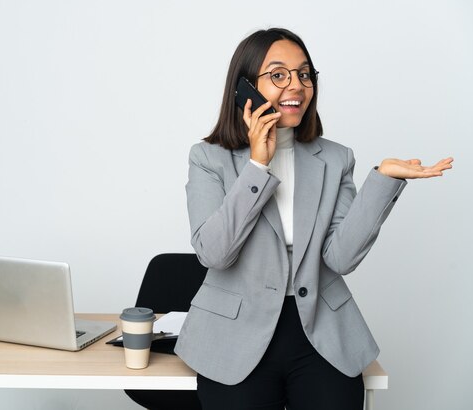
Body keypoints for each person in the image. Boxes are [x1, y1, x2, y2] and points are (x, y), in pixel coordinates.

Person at [174, 27, 453, 410]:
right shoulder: (209, 158)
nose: (296, 86)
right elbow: (214, 253)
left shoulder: (336, 158)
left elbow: (339, 259)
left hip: (322, 331)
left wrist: (383, 181)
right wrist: (258, 164)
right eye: (278, 75)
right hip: (234, 336)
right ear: (245, 88)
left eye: (304, 74)